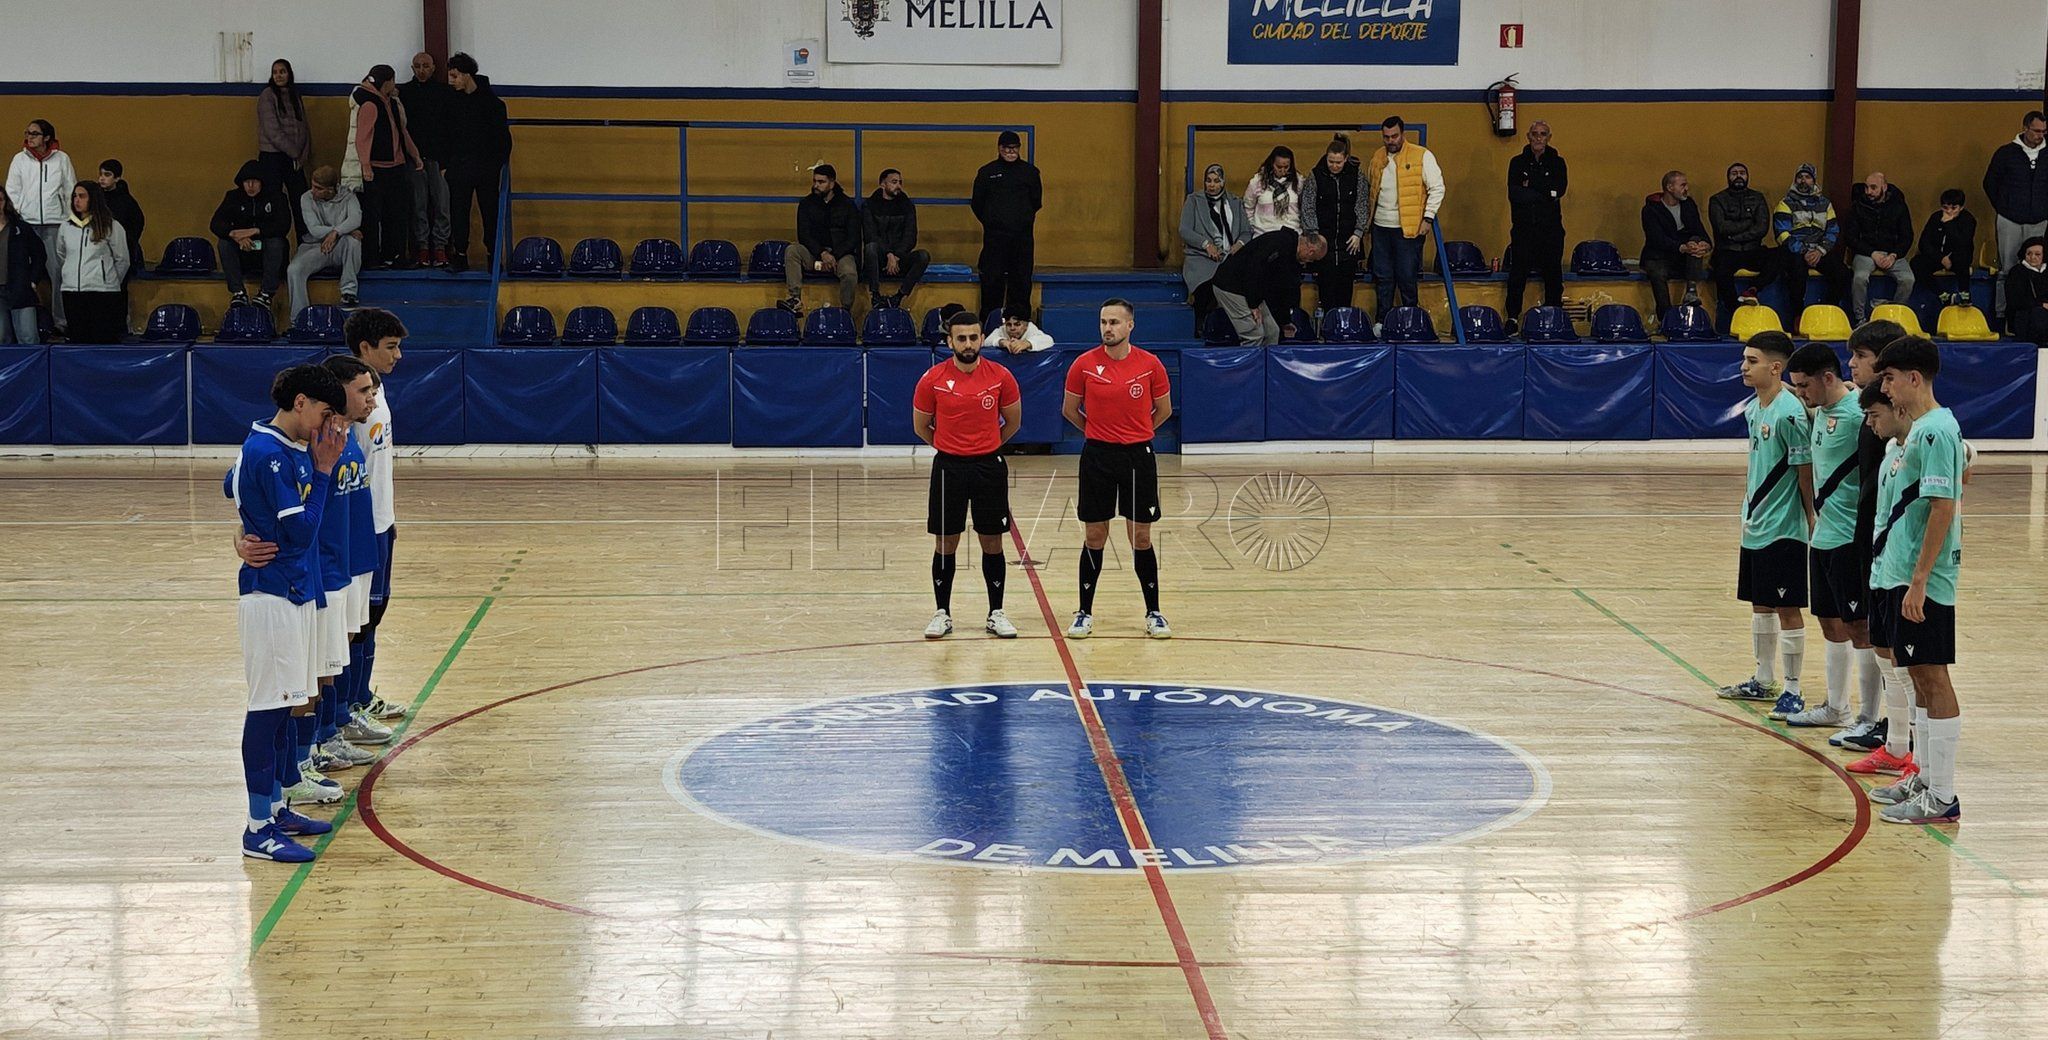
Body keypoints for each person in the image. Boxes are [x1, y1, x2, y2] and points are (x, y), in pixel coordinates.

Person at [227, 363, 348, 862]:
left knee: (283, 711)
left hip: (293, 591)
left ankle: (276, 807)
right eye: (322, 412)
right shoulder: (270, 452)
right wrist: (323, 473)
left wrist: (239, 529)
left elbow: (230, 485)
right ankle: (257, 828)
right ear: (299, 403)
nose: (326, 426)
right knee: (266, 711)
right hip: (271, 596)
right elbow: (299, 534)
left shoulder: (281, 447)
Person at [1866, 335, 1967, 824]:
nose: (1885, 389)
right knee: (1918, 677)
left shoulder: (1936, 431)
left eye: (1888, 379)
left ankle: (1943, 796)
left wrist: (1921, 578)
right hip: (1899, 572)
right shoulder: (1918, 433)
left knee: (1933, 675)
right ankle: (1926, 777)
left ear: (1913, 378)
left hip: (1923, 578)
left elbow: (1943, 507)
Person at [1061, 299, 1173, 639]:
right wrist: (1100, 433)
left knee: (1140, 536)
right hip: (1097, 456)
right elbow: (1070, 410)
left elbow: (1163, 410)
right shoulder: (1083, 365)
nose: (1107, 328)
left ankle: (1154, 612)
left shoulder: (1151, 365)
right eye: (1103, 322)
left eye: (1114, 322)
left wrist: (1135, 432)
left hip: (1138, 457)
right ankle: (1084, 612)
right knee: (1094, 536)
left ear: (1130, 326)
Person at [912, 309, 1024, 639]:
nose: (968, 343)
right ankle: (942, 612)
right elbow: (921, 427)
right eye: (961, 338)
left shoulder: (1001, 376)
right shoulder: (932, 379)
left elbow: (1012, 422)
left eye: (974, 337)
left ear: (981, 339)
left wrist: (986, 446)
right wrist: (951, 447)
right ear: (950, 342)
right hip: (949, 468)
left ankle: (996, 612)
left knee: (992, 541)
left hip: (989, 467)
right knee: (946, 542)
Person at [1716, 331, 1811, 707]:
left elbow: (1804, 469)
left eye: (1752, 361)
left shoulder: (1790, 413)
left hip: (1784, 527)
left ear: (1775, 367)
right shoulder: (1756, 408)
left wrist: (1809, 517)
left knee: (1788, 608)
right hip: (1755, 522)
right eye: (1744, 359)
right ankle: (1764, 678)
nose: (1743, 366)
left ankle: (1792, 688)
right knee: (1760, 603)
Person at [1779, 342, 1870, 729]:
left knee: (1859, 628)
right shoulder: (1821, 411)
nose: (1800, 395)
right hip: (1824, 535)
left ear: (1828, 378)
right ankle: (1837, 708)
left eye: (1804, 387)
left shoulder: (1858, 417)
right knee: (1829, 623)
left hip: (1850, 537)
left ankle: (1868, 715)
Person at [1829, 319, 1907, 755]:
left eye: (1859, 356)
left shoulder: (1910, 419)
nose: (1852, 364)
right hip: (1868, 535)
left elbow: (1960, 451)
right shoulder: (1867, 407)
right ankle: (1884, 723)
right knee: (1878, 635)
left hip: (1892, 544)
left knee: (1893, 641)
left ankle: (1898, 729)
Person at [1365, 116, 1444, 325]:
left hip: (1408, 228)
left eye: (1394, 136)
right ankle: (1382, 322)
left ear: (1403, 134)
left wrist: (1427, 218)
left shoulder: (1422, 155)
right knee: (1383, 277)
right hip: (1380, 227)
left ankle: (1411, 320)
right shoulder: (1377, 157)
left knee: (1407, 277)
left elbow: (1437, 188)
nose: (1390, 140)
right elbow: (1371, 192)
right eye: (1386, 137)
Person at [442, 53, 512, 274]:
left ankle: (493, 257)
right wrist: (446, 165)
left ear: (466, 75)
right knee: (458, 212)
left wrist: (494, 165)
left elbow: (504, 140)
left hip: (485, 169)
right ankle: (460, 256)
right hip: (459, 167)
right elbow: (443, 137)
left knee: (489, 213)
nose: (451, 81)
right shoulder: (451, 103)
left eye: (454, 76)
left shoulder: (493, 105)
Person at [346, 65, 422, 268]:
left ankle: (394, 255)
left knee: (397, 214)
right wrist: (366, 166)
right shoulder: (370, 104)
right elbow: (363, 137)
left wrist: (415, 155)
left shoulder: (392, 102)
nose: (395, 84)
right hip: (377, 168)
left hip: (396, 166)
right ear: (386, 82)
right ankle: (372, 258)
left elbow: (402, 131)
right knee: (373, 215)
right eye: (393, 80)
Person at [7, 120, 75, 331]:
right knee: (21, 275)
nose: (29, 137)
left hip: (56, 224)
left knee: (58, 275)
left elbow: (69, 190)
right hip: (26, 225)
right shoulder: (19, 159)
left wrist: (68, 218)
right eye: (27, 133)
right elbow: (12, 190)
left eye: (35, 133)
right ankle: (20, 324)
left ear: (47, 137)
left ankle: (61, 322)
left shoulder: (62, 159)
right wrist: (19, 214)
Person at [1981, 110, 2048, 318]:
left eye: (2044, 132)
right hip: (2009, 219)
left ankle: (2033, 312)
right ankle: (2003, 315)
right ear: (2025, 128)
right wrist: (2004, 208)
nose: (2040, 135)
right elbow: (1990, 183)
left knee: (2037, 268)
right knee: (2007, 269)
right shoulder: (2006, 153)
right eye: (2036, 131)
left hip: (2039, 220)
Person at [1208, 228, 1327, 346]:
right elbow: (1254, 268)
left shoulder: (1292, 258)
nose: (1309, 262)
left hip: (1250, 289)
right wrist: (1253, 304)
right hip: (1230, 286)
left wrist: (1285, 321)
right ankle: (1250, 365)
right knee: (1254, 335)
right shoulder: (1279, 242)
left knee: (1272, 332)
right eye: (1313, 260)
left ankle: (1267, 364)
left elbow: (1282, 290)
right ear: (1310, 251)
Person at [971, 130, 1042, 323]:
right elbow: (977, 203)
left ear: (1019, 148)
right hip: (995, 238)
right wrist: (993, 222)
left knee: (1021, 281)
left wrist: (1021, 220)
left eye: (1015, 148)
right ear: (999, 148)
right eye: (1007, 148)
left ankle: (1019, 325)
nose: (1011, 151)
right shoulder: (987, 172)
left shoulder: (1030, 172)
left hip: (1022, 238)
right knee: (992, 280)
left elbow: (1036, 201)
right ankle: (990, 325)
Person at [1503, 121, 1567, 332]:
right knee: (1517, 275)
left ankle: (1553, 316)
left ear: (1549, 137)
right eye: (1535, 134)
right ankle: (1512, 318)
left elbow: (1559, 191)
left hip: (1551, 230)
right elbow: (1515, 194)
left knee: (1553, 275)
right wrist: (1544, 192)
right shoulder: (1517, 163)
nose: (1539, 138)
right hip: (1523, 229)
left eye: (1543, 134)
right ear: (1528, 136)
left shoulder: (1558, 163)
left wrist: (1531, 186)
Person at [1298, 134, 1369, 313]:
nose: (1334, 166)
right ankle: (1329, 326)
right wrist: (1314, 234)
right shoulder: (1315, 175)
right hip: (1324, 242)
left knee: (1346, 289)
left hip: (1349, 242)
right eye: (1331, 161)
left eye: (1338, 162)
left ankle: (1343, 324)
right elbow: (1307, 206)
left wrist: (1359, 232)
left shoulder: (1357, 175)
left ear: (1345, 158)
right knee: (1326, 289)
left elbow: (1362, 204)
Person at [1178, 163, 1252, 330]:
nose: (1212, 185)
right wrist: (1206, 245)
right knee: (1207, 288)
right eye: (1208, 181)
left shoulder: (1235, 202)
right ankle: (1202, 327)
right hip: (1202, 259)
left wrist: (1238, 245)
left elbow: (1247, 232)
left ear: (1223, 182)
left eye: (1216, 181)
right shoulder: (1194, 201)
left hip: (1230, 259)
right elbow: (1184, 229)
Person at [779, 163, 860, 314]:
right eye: (815, 181)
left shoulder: (848, 205)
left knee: (849, 273)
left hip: (840, 256)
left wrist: (834, 255)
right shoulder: (806, 204)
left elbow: (853, 237)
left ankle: (846, 311)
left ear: (832, 183)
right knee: (792, 251)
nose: (816, 185)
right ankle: (794, 299)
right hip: (815, 255)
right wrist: (822, 253)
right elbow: (804, 235)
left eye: (821, 182)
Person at [54, 183, 131, 343]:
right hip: (72, 291)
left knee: (102, 339)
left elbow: (122, 259)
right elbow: (62, 255)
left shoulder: (111, 226)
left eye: (82, 196)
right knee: (78, 339)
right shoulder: (65, 227)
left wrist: (108, 280)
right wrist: (70, 274)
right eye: (75, 196)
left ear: (94, 199)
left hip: (102, 292)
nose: (77, 200)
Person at [1773, 163, 1850, 319]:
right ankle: (1798, 316)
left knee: (1843, 273)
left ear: (1814, 181)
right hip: (1796, 251)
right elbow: (1782, 234)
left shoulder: (1825, 204)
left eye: (1807, 177)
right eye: (1800, 177)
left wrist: (1820, 251)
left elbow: (1833, 230)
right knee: (1797, 273)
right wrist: (1804, 251)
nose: (1803, 180)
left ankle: (1827, 312)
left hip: (1819, 251)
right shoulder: (1785, 204)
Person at [210, 160, 291, 307]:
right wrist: (234, 235)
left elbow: (283, 225)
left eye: (254, 182)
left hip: (266, 247)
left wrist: (256, 231)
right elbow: (216, 223)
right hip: (243, 250)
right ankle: (238, 292)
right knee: (224, 244)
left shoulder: (277, 197)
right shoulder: (233, 197)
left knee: (276, 243)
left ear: (262, 182)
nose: (251, 186)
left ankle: (266, 293)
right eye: (247, 182)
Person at [1708, 162, 1781, 324]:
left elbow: (1762, 227)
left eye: (1742, 173)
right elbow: (1721, 227)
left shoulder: (1758, 198)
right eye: (1734, 173)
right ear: (1728, 178)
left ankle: (1753, 289)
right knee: (1720, 270)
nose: (1738, 176)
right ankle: (1734, 309)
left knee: (1779, 256)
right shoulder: (1717, 199)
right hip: (1727, 250)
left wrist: (1736, 236)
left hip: (1752, 250)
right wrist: (1749, 223)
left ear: (1747, 177)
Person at [399, 52, 453, 267]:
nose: (421, 70)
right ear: (412, 68)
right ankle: (422, 247)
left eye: (426, 66)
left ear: (433, 68)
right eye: (417, 66)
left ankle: (440, 247)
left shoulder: (444, 93)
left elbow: (451, 128)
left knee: (442, 205)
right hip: (414, 159)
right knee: (418, 205)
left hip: (440, 159)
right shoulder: (404, 93)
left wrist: (447, 160)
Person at [287, 166, 363, 317]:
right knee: (293, 270)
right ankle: (299, 318)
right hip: (314, 247)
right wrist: (343, 229)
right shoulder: (306, 198)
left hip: (340, 245)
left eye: (318, 188)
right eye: (313, 185)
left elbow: (356, 219)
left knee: (353, 241)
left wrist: (336, 233)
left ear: (331, 189)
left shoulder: (348, 196)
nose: (313, 191)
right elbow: (314, 229)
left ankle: (348, 293)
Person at [1639, 170, 1711, 324]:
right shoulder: (1651, 210)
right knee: (1657, 273)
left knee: (1696, 240)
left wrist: (1705, 245)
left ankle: (1691, 291)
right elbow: (1656, 239)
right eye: (1682, 185)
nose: (1686, 189)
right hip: (1659, 257)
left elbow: (1699, 229)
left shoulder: (1689, 204)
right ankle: (1665, 319)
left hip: (1683, 257)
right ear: (1670, 187)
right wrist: (1682, 247)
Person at [1842, 172, 1916, 323]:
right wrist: (1872, 253)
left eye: (1873, 188)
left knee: (1909, 279)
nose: (1868, 192)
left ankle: (1894, 315)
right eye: (1866, 187)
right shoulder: (1858, 206)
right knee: (1860, 277)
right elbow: (1850, 237)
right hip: (1865, 253)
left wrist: (1894, 255)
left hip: (1893, 253)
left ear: (1884, 187)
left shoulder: (1899, 206)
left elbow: (1907, 236)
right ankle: (1860, 319)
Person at [256, 59, 315, 240]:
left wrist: (302, 155)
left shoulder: (295, 95)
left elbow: (304, 127)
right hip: (272, 158)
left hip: (294, 159)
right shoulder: (267, 95)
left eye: (282, 71)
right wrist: (294, 153)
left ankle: (305, 242)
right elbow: (272, 131)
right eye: (275, 72)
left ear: (289, 74)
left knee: (302, 200)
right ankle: (275, 246)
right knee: (275, 203)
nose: (279, 75)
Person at [862, 168, 929, 309]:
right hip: (879, 258)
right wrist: (889, 254)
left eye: (900, 182)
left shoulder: (907, 205)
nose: (898, 185)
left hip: (900, 258)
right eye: (894, 182)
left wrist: (897, 255)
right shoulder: (870, 205)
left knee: (923, 256)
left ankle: (899, 296)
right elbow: (870, 234)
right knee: (870, 247)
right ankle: (875, 295)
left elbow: (910, 236)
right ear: (882, 184)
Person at [1909, 189, 1977, 305]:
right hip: (1938, 257)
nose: (1949, 212)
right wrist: (1941, 258)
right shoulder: (1935, 218)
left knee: (1963, 260)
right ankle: (1942, 295)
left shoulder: (1968, 220)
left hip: (1957, 257)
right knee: (1916, 263)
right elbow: (1924, 243)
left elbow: (1963, 243)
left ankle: (1964, 294)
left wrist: (1949, 224)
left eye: (1954, 208)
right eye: (1945, 208)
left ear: (1961, 207)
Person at [1, 193, 49, 344]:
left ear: (5, 202)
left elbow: (39, 255)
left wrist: (33, 280)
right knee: (1, 338)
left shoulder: (20, 228)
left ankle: (34, 368)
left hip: (20, 290)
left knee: (28, 338)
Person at [97, 161, 144, 287]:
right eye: (100, 174)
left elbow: (137, 224)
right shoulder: (95, 199)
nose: (102, 178)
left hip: (119, 253)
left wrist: (126, 242)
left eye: (107, 175)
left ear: (117, 178)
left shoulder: (127, 202)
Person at [1243, 146, 1301, 235]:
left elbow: (1304, 208)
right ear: (1272, 163)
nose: (1282, 170)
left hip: (1292, 233)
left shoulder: (1298, 182)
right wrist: (1253, 227)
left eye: (1286, 167)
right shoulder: (1257, 181)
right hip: (1263, 233)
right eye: (1279, 167)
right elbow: (1248, 208)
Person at [2006, 236, 2048, 344]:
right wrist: (2041, 304)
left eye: (2037, 254)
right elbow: (2015, 301)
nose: (2033, 257)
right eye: (2029, 253)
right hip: (2025, 315)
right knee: (2039, 315)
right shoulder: (2017, 272)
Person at [986, 308, 1053, 353]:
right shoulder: (1002, 329)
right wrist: (1002, 342)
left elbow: (1049, 340)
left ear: (1026, 325)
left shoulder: (1031, 329)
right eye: (1009, 324)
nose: (1012, 328)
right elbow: (986, 342)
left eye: (1017, 324)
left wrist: (1026, 344)